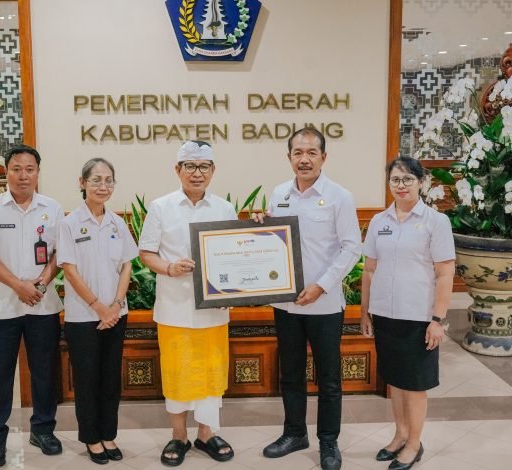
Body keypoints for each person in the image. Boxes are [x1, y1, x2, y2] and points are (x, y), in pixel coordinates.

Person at [254, 127, 361, 470]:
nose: (304, 159)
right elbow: (275, 239)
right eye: (298, 153)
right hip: (286, 303)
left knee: (328, 379)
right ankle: (295, 433)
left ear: (323, 158)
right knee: (291, 373)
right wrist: (262, 224)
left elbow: (352, 248)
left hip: (324, 305)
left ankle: (328, 442)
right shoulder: (279, 193)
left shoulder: (339, 196)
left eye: (311, 153)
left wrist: (321, 286)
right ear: (289, 158)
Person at [139, 140, 237, 466]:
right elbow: (146, 253)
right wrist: (169, 267)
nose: (197, 173)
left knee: (212, 371)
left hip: (214, 309)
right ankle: (179, 435)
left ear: (213, 170)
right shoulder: (160, 207)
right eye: (190, 166)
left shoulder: (224, 209)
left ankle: (206, 433)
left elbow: (235, 255)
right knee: (177, 372)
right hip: (175, 307)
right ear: (177, 169)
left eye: (204, 166)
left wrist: (232, 291)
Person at [0, 145, 64, 468]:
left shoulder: (52, 208)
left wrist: (40, 284)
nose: (23, 175)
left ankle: (43, 430)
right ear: (6, 172)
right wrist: (19, 286)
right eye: (16, 169)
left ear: (38, 173)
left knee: (45, 373)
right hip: (1, 309)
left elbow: (59, 254)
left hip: (43, 306)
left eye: (30, 169)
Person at [360, 157, 455, 470]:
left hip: (418, 318)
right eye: (395, 180)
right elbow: (369, 270)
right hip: (386, 315)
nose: (401, 186)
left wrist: (438, 320)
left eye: (407, 179)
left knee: (414, 385)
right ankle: (400, 434)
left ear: (421, 182)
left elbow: (445, 273)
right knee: (396, 382)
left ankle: (414, 444)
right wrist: (365, 312)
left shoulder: (435, 222)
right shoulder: (379, 221)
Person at [57, 158, 138, 465]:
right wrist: (99, 307)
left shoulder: (118, 223)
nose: (103, 186)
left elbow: (127, 265)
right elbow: (69, 270)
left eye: (108, 180)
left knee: (110, 379)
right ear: (82, 183)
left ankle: (108, 434)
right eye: (96, 180)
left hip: (116, 315)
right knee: (87, 379)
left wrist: (115, 305)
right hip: (83, 317)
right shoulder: (69, 224)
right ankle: (91, 438)